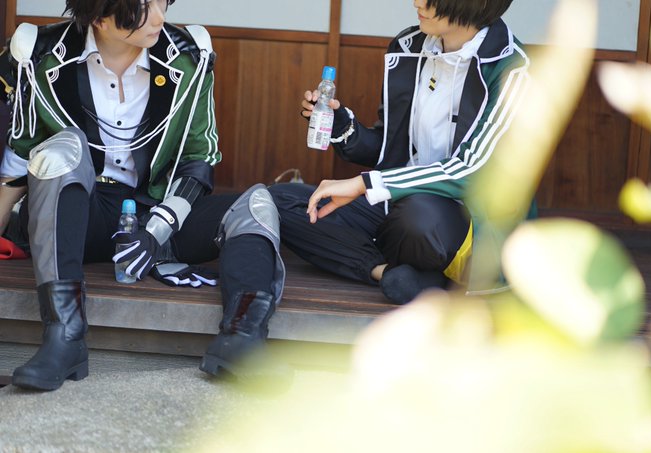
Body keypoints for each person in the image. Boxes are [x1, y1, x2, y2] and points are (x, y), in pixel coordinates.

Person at [0, 0, 284, 391]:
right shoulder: (41, 55)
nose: (160, 17)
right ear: (98, 14)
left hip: (156, 213)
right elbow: (21, 158)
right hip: (79, 216)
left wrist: (156, 230)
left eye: (161, 2)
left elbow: (199, 159)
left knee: (255, 204)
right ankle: (64, 338)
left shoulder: (188, 58)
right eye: (143, 6)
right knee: (61, 150)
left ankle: (243, 340)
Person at [270, 0, 530, 304]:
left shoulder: (513, 69)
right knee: (280, 200)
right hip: (395, 203)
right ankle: (386, 272)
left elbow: (472, 170)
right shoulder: (409, 46)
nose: (416, 2)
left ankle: (411, 266)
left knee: (418, 218)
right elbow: (389, 146)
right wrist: (340, 125)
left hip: (463, 219)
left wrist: (365, 184)